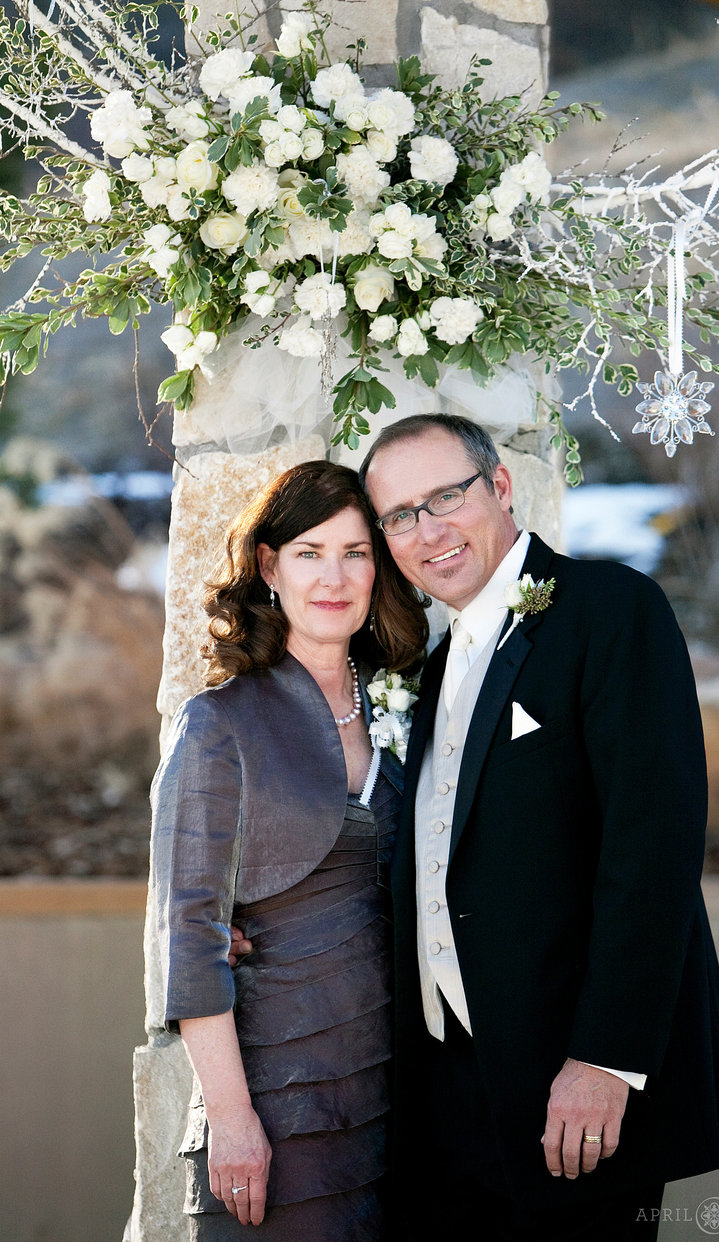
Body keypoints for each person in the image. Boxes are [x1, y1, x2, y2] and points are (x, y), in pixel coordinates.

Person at [356, 413, 719, 1241]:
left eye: (445, 498)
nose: (427, 532)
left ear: (499, 488)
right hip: (449, 1092)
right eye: (398, 516)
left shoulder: (610, 609)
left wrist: (607, 1059)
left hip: (572, 1091)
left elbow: (653, 849)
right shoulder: (434, 666)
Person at [146, 460, 428, 1240]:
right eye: (309, 552)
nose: (333, 577)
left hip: (392, 1090)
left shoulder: (407, 707)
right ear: (269, 565)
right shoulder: (219, 725)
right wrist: (234, 1122)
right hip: (275, 1093)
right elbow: (190, 932)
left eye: (355, 552)